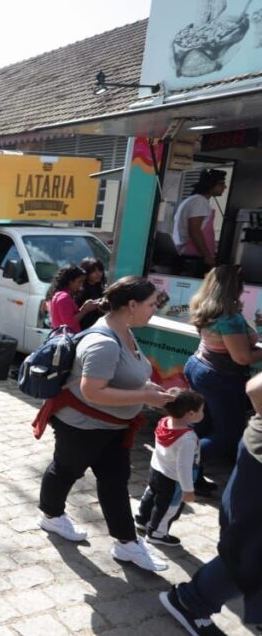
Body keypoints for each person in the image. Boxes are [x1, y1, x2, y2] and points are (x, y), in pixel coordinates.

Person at [33, 276, 172, 572]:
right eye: (150, 305)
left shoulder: (125, 330)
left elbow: (130, 373)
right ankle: (51, 515)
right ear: (131, 305)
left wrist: (151, 390)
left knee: (114, 481)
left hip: (113, 426)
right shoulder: (103, 342)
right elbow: (92, 390)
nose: (153, 310)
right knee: (66, 470)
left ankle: (126, 544)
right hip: (83, 426)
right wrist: (145, 396)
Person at [160, 372, 262, 636]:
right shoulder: (185, 438)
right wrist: (188, 488)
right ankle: (191, 601)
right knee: (250, 549)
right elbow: (256, 388)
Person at [185, 265, 260, 492]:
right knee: (227, 434)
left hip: (199, 367)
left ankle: (187, 474)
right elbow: (242, 357)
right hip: (219, 377)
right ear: (235, 288)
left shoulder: (208, 308)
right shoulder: (230, 317)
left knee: (203, 423)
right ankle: (182, 464)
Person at [135, 390, 204, 547]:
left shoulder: (165, 421)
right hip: (174, 479)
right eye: (202, 410)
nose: (203, 413)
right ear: (191, 414)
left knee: (151, 494)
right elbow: (184, 466)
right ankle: (157, 534)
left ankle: (142, 519)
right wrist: (188, 490)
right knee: (168, 507)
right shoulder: (187, 438)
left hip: (157, 469)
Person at [173, 168, 227, 270]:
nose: (225, 187)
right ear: (211, 185)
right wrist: (207, 256)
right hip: (194, 257)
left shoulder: (195, 200)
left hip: (193, 254)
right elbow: (194, 231)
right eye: (221, 184)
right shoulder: (199, 202)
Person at [47, 265, 99, 332]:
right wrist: (85, 310)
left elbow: (69, 316)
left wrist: (84, 308)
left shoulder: (59, 294)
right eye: (79, 281)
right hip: (65, 338)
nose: (81, 285)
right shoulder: (64, 297)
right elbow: (69, 323)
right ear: (70, 281)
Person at [76, 257, 107, 329]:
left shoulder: (100, 288)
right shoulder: (80, 290)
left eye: (100, 270)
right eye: (94, 271)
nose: (98, 274)